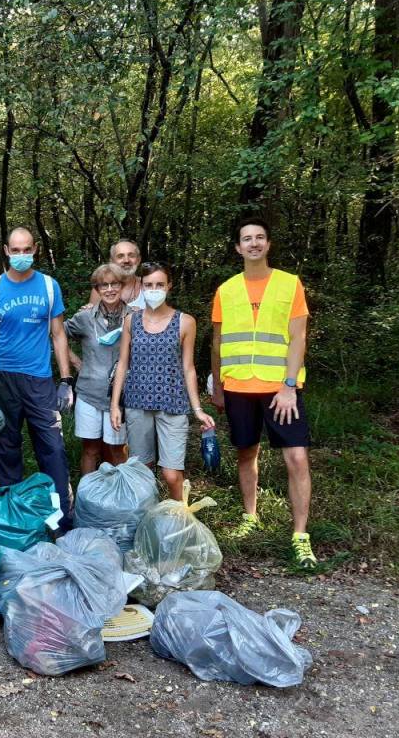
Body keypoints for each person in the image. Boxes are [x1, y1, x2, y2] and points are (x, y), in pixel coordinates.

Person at [210, 217, 316, 568]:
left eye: (260, 237)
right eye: (246, 239)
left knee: (297, 458)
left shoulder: (290, 284)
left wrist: (288, 385)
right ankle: (250, 517)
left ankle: (300, 536)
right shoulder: (226, 290)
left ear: (267, 245)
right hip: (239, 385)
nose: (253, 243)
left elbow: (298, 336)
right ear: (238, 248)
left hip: (279, 388)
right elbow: (218, 343)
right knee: (246, 453)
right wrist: (219, 387)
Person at [0, 227, 75, 528]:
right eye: (15, 250)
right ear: (6, 250)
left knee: (53, 448)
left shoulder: (48, 286)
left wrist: (66, 380)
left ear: (35, 250)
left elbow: (58, 335)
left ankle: (61, 518)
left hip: (39, 379)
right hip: (3, 377)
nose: (21, 256)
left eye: (27, 250)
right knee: (5, 446)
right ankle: (13, 517)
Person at [110, 262, 214, 501]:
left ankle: (178, 519)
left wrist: (197, 408)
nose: (154, 289)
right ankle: (148, 519)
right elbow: (123, 364)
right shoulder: (131, 321)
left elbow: (188, 367)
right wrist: (116, 405)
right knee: (142, 470)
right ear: (142, 288)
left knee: (171, 474)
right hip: (137, 403)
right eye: (148, 285)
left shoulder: (185, 321)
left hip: (173, 403)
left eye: (159, 284)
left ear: (169, 286)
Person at [64, 263, 131, 476]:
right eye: (104, 285)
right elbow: (57, 334)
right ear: (97, 289)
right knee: (90, 449)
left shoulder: (134, 317)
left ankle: (121, 497)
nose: (109, 289)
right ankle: (88, 498)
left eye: (114, 284)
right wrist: (75, 362)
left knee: (117, 450)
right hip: (89, 392)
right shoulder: (84, 318)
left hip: (121, 396)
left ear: (123, 286)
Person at [85, 240, 145, 307]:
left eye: (131, 255)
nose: (126, 260)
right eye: (120, 256)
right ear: (112, 261)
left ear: (138, 260)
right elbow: (92, 315)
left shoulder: (148, 285)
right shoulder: (101, 288)